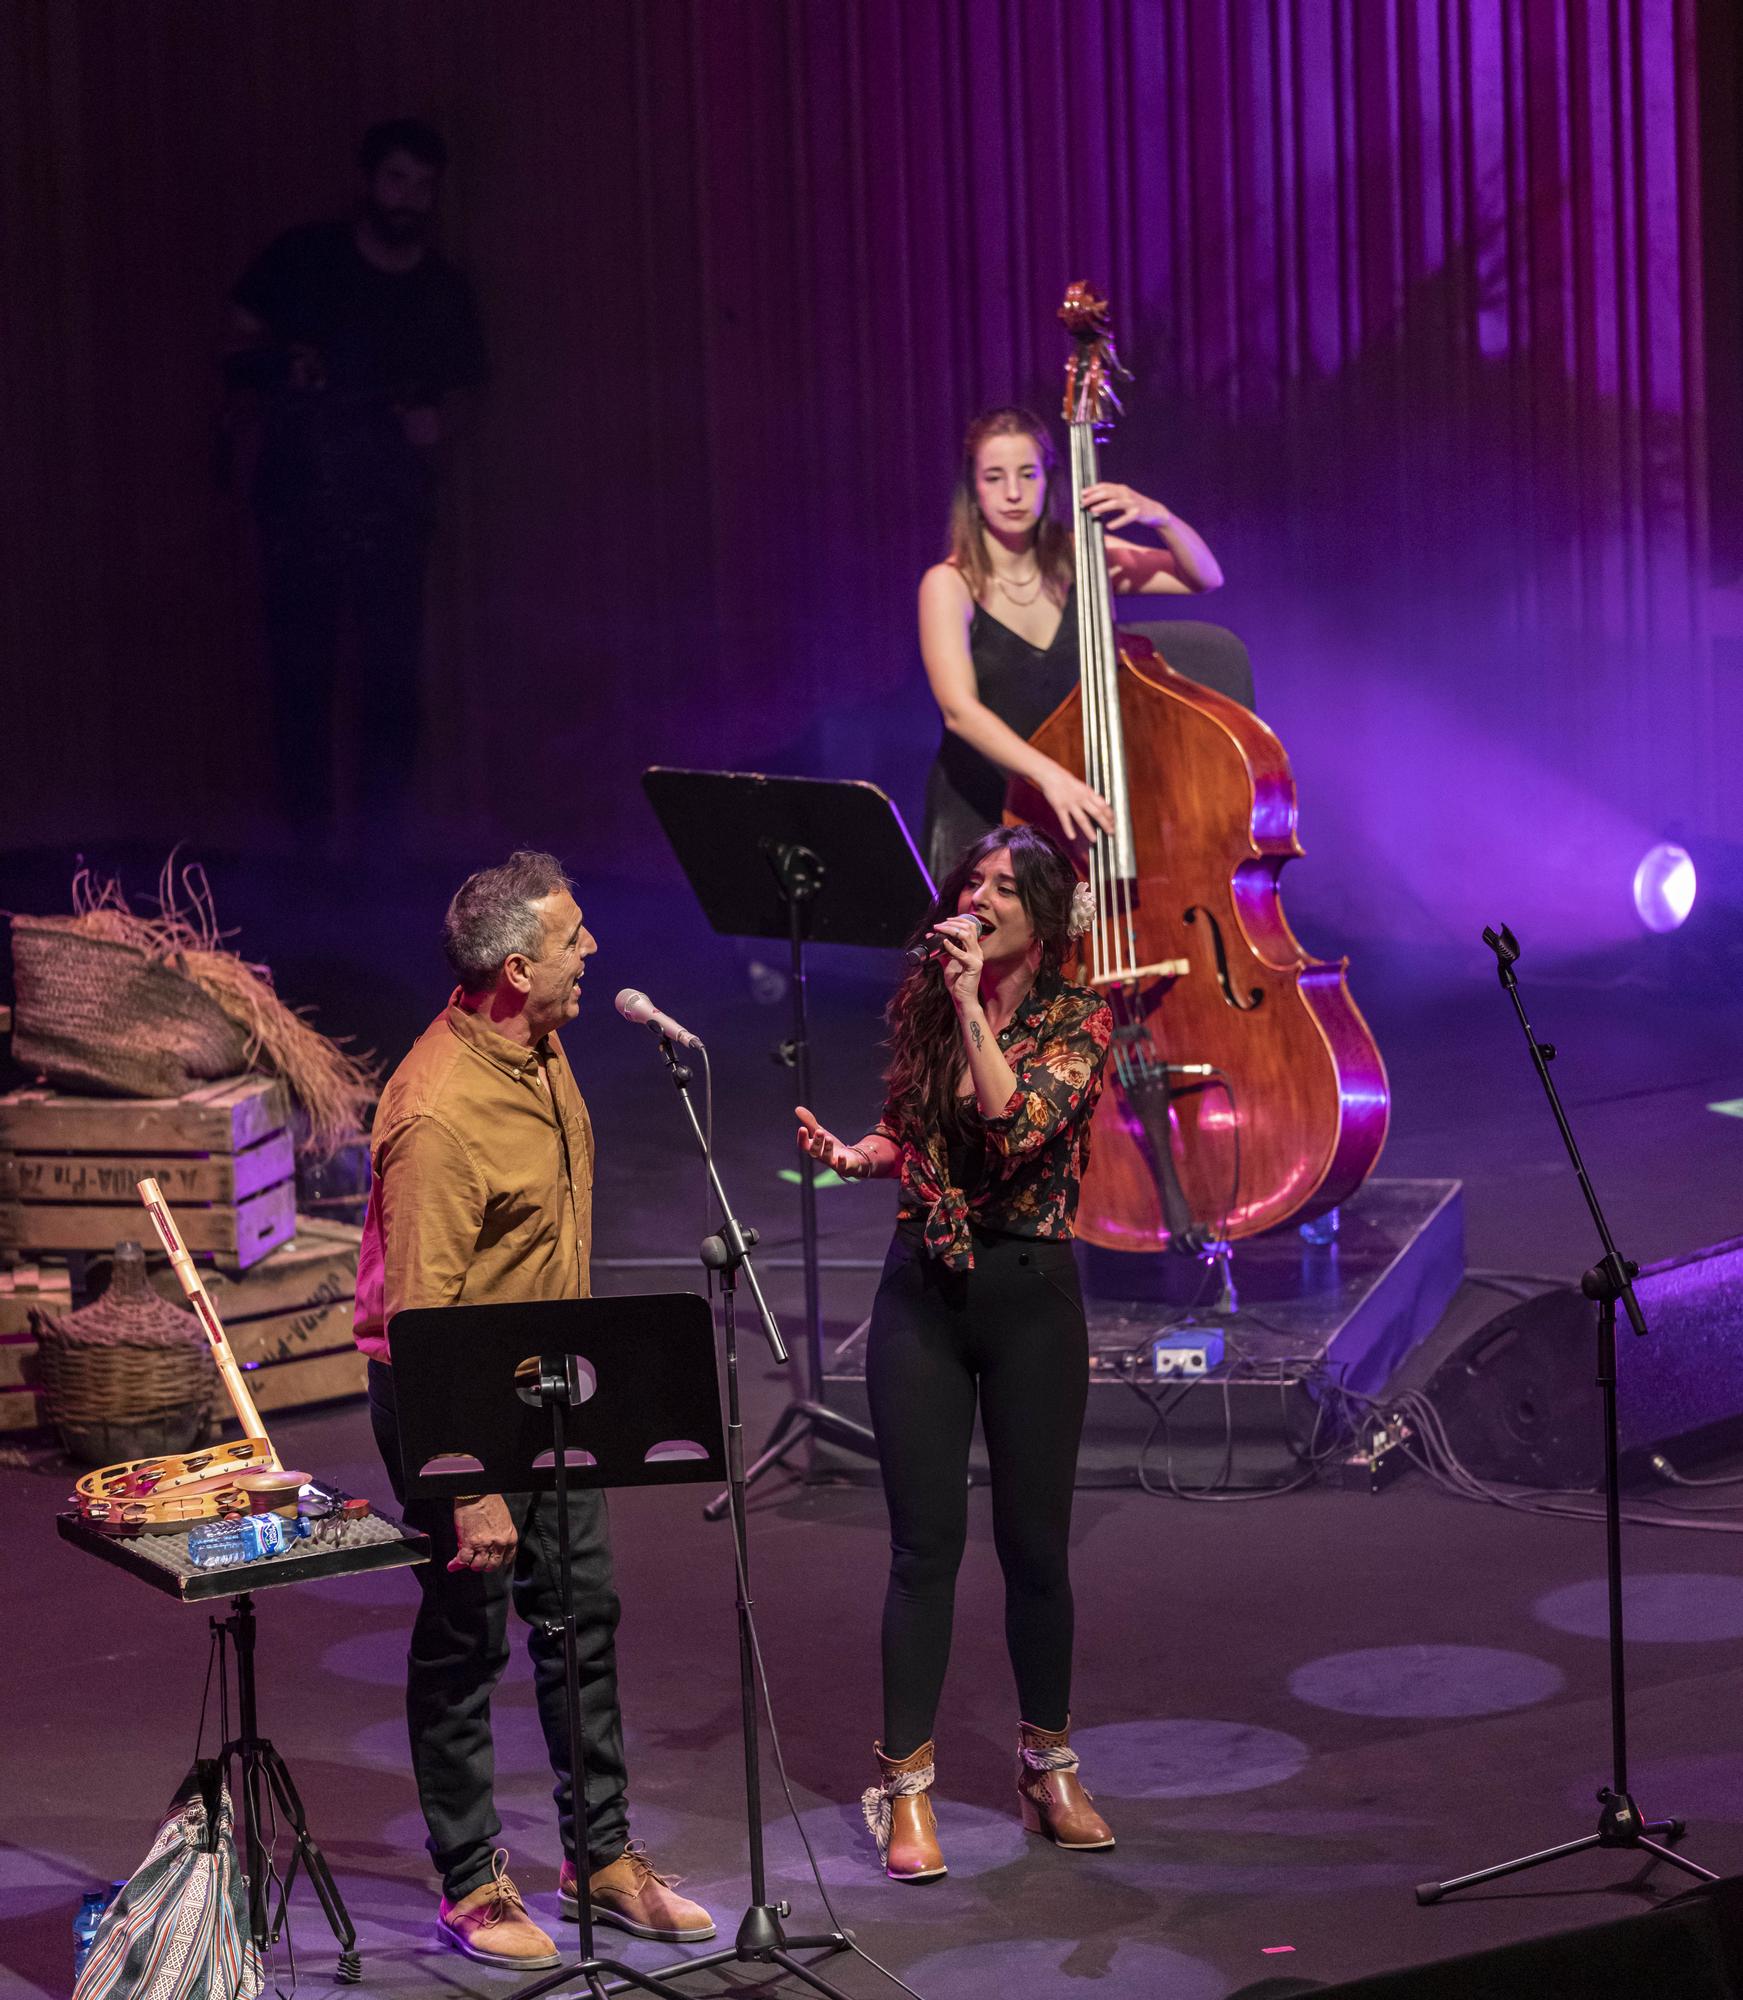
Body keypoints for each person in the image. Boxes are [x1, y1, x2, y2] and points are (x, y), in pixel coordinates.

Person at [353, 850, 715, 1967]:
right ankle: (470, 1878)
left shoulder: (539, 1047)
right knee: (468, 1636)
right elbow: (422, 1323)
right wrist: (471, 1487)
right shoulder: (438, 1114)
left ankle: (598, 1853)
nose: (592, 951)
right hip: (456, 1403)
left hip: (552, 1390)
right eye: (572, 939)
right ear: (516, 968)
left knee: (581, 1617)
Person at [794, 824, 1117, 1881]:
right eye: (970, 880)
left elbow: (1013, 1125)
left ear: (1044, 914)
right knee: (921, 1546)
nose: (976, 898)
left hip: (1028, 1296)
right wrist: (859, 1154)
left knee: (1034, 1546)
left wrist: (974, 1003)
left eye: (1000, 887)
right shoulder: (936, 996)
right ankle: (906, 1783)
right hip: (922, 1293)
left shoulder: (1080, 1019)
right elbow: (914, 1127)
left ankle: (1047, 1763)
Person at [226, 119, 487, 845]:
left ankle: (381, 849)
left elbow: (468, 392)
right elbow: (234, 335)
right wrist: (281, 368)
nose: (409, 198)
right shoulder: (306, 259)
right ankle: (307, 849)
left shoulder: (440, 290)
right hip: (300, 502)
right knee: (299, 681)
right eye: (397, 179)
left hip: (390, 512)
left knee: (389, 686)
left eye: (423, 185)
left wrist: (437, 428)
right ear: (368, 182)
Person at [918, 405, 1224, 880]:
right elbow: (959, 711)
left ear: (1048, 480)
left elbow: (1202, 576)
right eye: (994, 477)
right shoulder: (949, 583)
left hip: (1071, 807)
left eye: (1027, 474)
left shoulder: (1081, 557)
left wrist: (1158, 517)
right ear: (973, 489)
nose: (1013, 493)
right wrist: (1049, 777)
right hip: (982, 805)